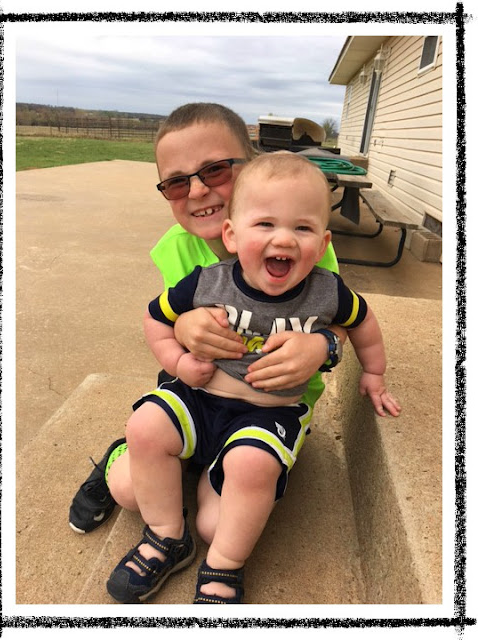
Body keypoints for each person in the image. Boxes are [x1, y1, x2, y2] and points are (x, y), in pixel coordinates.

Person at [104, 151, 401, 604]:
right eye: (265, 224)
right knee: (144, 425)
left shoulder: (328, 291)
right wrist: (177, 362)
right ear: (232, 234)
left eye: (302, 228)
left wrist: (374, 373)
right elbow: (154, 318)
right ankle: (167, 534)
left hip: (268, 414)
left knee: (236, 493)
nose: (283, 238)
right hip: (200, 398)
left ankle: (225, 561)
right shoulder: (207, 281)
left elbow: (363, 321)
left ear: (323, 243)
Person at [69, 103, 344, 540]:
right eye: (177, 182)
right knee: (128, 491)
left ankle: (203, 465)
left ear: (252, 167)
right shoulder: (176, 248)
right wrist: (181, 328)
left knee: (217, 526)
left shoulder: (298, 242)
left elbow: (343, 317)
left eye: (214, 170)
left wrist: (323, 346)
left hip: (272, 406)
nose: (197, 190)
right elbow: (164, 317)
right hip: (198, 394)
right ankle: (125, 451)